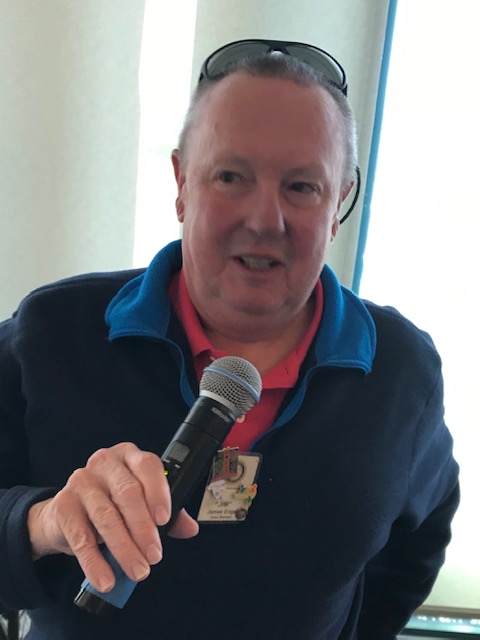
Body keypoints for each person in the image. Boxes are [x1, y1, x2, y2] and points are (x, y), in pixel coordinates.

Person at [0, 39, 459, 640]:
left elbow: (418, 540)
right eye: (231, 176)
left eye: (302, 187)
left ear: (339, 203)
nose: (265, 219)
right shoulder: (53, 332)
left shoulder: (402, 371)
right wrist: (40, 523)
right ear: (181, 183)